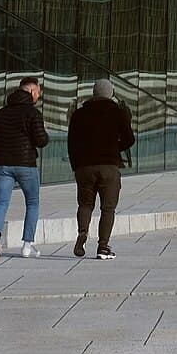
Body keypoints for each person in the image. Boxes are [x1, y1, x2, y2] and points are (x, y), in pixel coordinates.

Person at [67, 79, 135, 260]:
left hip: (84, 168)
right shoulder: (117, 112)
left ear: (94, 93)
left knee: (85, 204)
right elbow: (129, 139)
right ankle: (103, 247)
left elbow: (71, 143)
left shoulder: (79, 114)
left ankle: (83, 232)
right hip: (109, 167)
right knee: (108, 208)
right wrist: (114, 148)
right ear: (111, 93)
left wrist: (76, 165)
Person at [0, 76, 48, 261]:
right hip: (26, 164)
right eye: (38, 91)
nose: (38, 95)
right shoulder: (32, 113)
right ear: (30, 91)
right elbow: (40, 140)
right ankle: (27, 245)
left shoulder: (1, 113)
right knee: (32, 203)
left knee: (1, 203)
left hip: (3, 165)